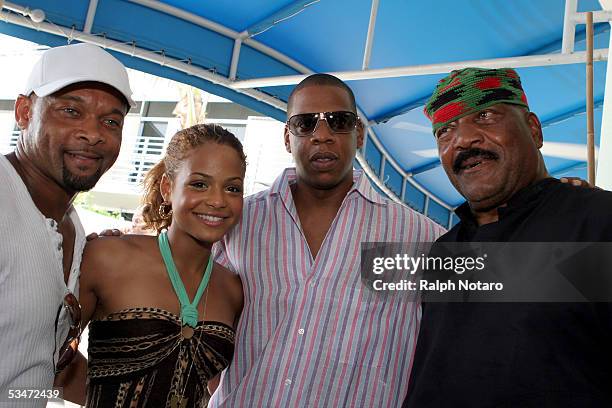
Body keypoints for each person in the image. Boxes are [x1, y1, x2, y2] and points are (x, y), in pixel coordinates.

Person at [208, 74, 443, 407]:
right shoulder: (239, 223)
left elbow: (509, 300)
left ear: (359, 134)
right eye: (305, 123)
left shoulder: (421, 238)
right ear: (288, 138)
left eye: (339, 121)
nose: (322, 135)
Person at [405, 67, 612, 407]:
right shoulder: (442, 253)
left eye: (485, 116)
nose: (463, 139)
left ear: (534, 130)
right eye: (445, 131)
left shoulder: (598, 224)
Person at [0, 42, 133, 405]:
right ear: (25, 111)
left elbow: (30, 375)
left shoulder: (71, 226)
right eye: (71, 111)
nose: (93, 133)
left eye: (111, 121)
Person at [78, 124, 244, 407]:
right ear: (168, 188)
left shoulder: (232, 288)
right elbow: (49, 363)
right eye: (199, 184)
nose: (217, 200)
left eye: (232, 188)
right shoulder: (107, 257)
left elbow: (215, 387)